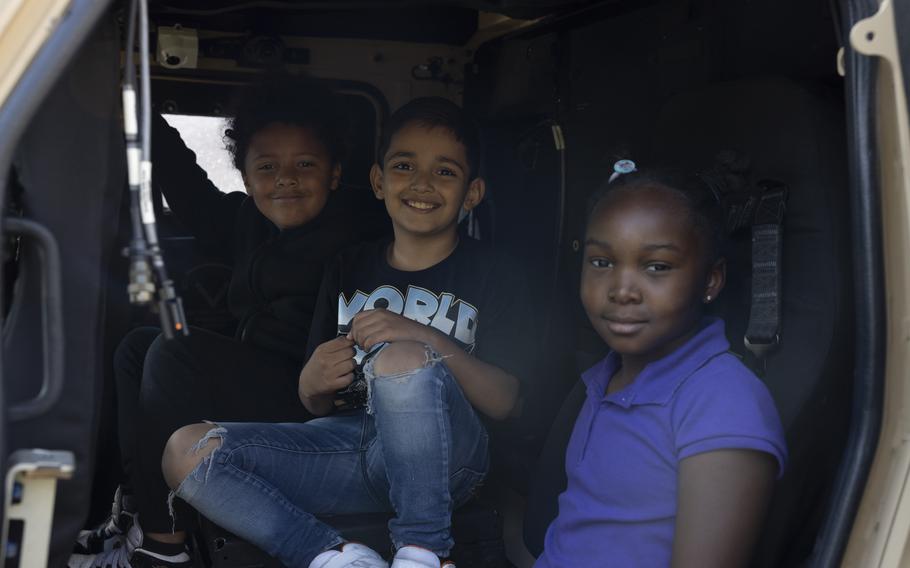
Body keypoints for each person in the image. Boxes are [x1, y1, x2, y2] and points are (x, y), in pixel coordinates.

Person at [158, 97, 527, 568]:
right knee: (185, 451)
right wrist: (311, 381)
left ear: (472, 193)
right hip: (350, 451)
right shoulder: (349, 265)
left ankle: (424, 552)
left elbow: (508, 401)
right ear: (378, 181)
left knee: (400, 359)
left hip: (449, 462)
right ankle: (332, 557)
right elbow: (316, 401)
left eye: (445, 172)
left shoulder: (496, 272)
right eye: (404, 166)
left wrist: (423, 338)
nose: (421, 183)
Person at [70, 75, 364, 568]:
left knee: (173, 349)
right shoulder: (245, 221)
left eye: (305, 165)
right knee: (139, 345)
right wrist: (139, 110)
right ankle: (138, 512)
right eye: (267, 167)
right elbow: (187, 187)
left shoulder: (358, 229)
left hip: (312, 392)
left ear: (335, 174)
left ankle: (165, 548)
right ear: (246, 179)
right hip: (257, 374)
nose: (286, 179)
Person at [534, 161, 788, 567]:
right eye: (602, 262)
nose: (621, 290)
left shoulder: (722, 403)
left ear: (711, 281)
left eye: (657, 267)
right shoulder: (607, 375)